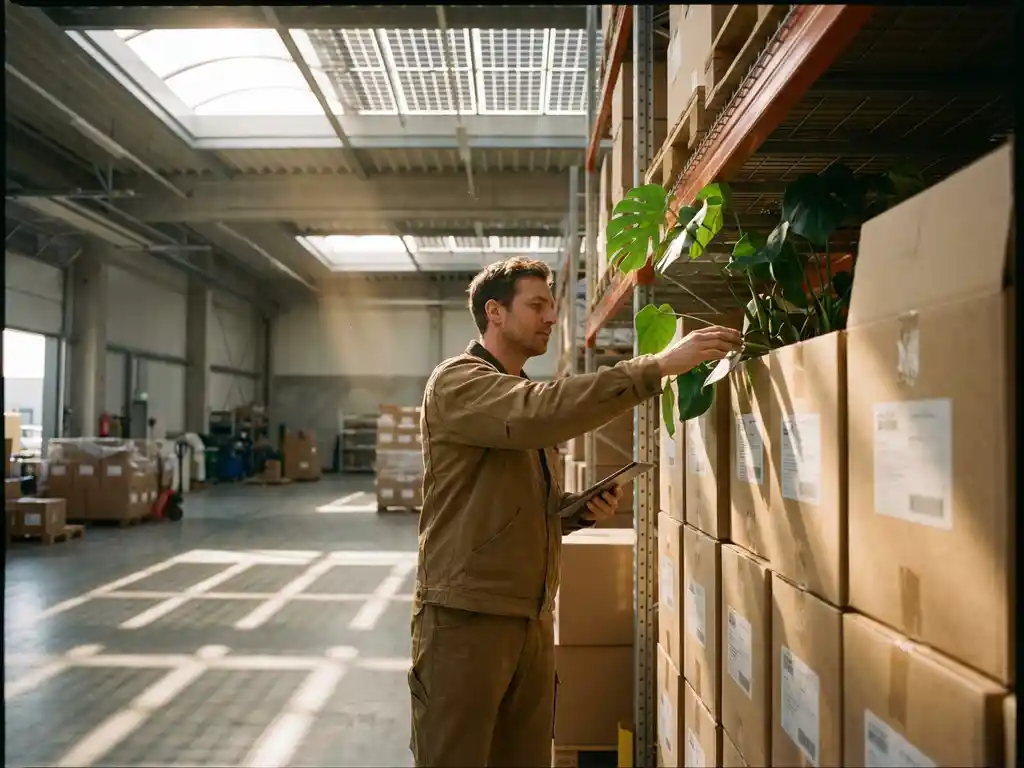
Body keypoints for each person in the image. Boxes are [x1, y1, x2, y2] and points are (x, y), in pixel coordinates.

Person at [409, 257, 741, 767]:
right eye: (537, 305)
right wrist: (653, 367)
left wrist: (571, 512)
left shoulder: (513, 393)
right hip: (467, 621)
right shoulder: (460, 383)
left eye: (552, 307)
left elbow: (504, 505)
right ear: (494, 312)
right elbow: (538, 413)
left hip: (530, 618)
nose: (549, 318)